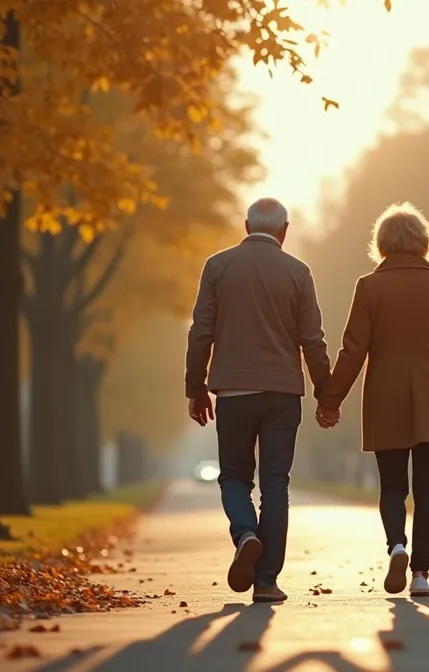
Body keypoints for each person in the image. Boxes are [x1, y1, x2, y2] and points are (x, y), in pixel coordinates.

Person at [316, 202, 429, 598]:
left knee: (391, 487)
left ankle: (396, 546)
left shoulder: (369, 287)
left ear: (382, 243)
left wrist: (331, 399)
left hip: (385, 393)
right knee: (428, 489)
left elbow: (353, 350)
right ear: (424, 242)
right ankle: (420, 573)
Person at [184, 197, 331, 604]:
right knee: (275, 485)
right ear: (285, 230)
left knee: (233, 477)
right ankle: (266, 581)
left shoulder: (218, 266)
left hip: (234, 391)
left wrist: (195, 387)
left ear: (247, 226)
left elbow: (201, 332)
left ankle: (245, 533)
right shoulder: (298, 272)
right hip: (283, 393)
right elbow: (312, 340)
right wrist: (326, 394)